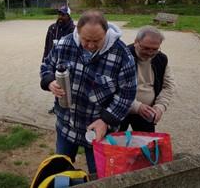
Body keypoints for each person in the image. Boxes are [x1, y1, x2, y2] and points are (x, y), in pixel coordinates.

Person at [40, 10, 137, 174]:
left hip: (99, 131)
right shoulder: (64, 44)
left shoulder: (123, 55)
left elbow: (127, 95)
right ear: (77, 31)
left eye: (97, 40)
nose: (91, 45)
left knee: (100, 175)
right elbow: (46, 66)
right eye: (86, 40)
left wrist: (105, 120)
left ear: (106, 33)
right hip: (66, 124)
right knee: (60, 172)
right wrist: (49, 82)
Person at [119, 26, 176, 132]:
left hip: (148, 111)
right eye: (145, 48)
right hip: (121, 109)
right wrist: (137, 107)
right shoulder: (122, 57)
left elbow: (168, 86)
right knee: (115, 144)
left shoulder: (161, 59)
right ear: (136, 42)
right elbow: (114, 89)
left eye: (155, 49)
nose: (150, 53)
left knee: (146, 145)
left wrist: (160, 106)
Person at [42, 5, 75, 114]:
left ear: (68, 16)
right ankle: (57, 105)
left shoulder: (73, 30)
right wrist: (45, 58)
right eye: (59, 14)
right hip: (53, 60)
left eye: (63, 14)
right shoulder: (52, 28)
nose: (60, 16)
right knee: (56, 85)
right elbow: (47, 45)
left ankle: (68, 105)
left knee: (67, 85)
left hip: (67, 62)